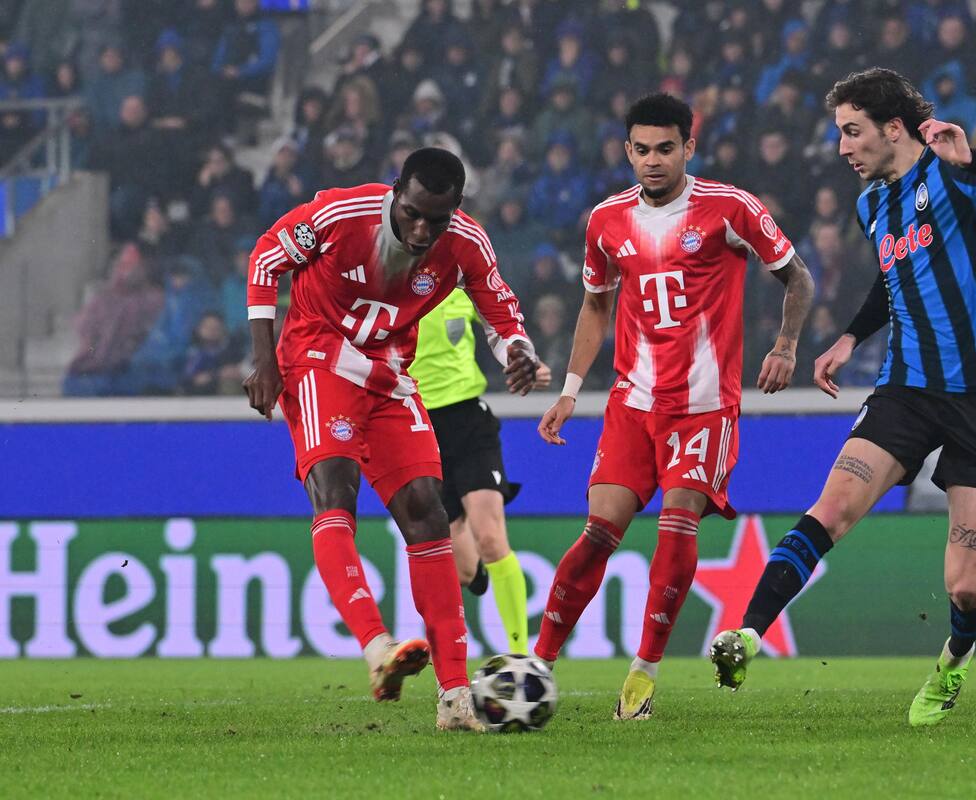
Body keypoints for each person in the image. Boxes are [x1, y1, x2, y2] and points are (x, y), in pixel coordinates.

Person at [709, 68, 976, 727]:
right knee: (832, 507)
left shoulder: (961, 175)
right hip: (906, 388)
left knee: (964, 581)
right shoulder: (872, 205)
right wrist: (849, 336)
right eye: (839, 134)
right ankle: (747, 635)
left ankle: (954, 663)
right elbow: (896, 277)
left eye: (852, 132)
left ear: (892, 129)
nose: (843, 148)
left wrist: (975, 158)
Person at [533, 93, 815, 720]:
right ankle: (538, 664)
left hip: (705, 405)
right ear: (626, 150)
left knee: (677, 522)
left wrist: (787, 345)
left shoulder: (729, 209)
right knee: (597, 533)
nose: (653, 161)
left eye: (666, 148)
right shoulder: (606, 220)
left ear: (689, 147)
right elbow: (596, 303)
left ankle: (643, 673)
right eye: (641, 150)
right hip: (631, 402)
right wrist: (571, 391)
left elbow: (798, 275)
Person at [242, 148, 540, 731]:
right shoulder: (339, 214)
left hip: (389, 374)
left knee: (428, 513)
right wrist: (264, 361)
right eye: (412, 213)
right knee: (336, 489)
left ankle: (455, 698)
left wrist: (519, 353)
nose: (422, 229)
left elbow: (501, 314)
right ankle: (377, 647)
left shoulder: (468, 244)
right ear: (395, 192)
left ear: (458, 209)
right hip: (317, 360)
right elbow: (264, 262)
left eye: (438, 219)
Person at [407, 287, 551, 654]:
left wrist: (526, 361)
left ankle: (520, 657)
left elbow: (502, 328)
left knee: (490, 537)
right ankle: (481, 573)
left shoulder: (461, 288)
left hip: (470, 423)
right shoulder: (394, 291)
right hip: (419, 428)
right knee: (465, 571)